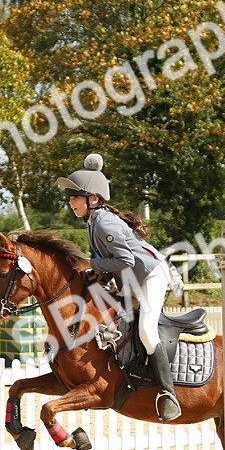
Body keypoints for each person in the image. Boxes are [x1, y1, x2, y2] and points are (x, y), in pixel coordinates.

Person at [57, 154, 181, 421]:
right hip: (131, 278)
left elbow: (126, 260)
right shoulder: (94, 222)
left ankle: (168, 394)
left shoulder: (104, 222)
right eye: (70, 197)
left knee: (147, 331)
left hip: (150, 276)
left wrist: (91, 263)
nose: (70, 202)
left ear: (93, 198)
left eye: (74, 197)